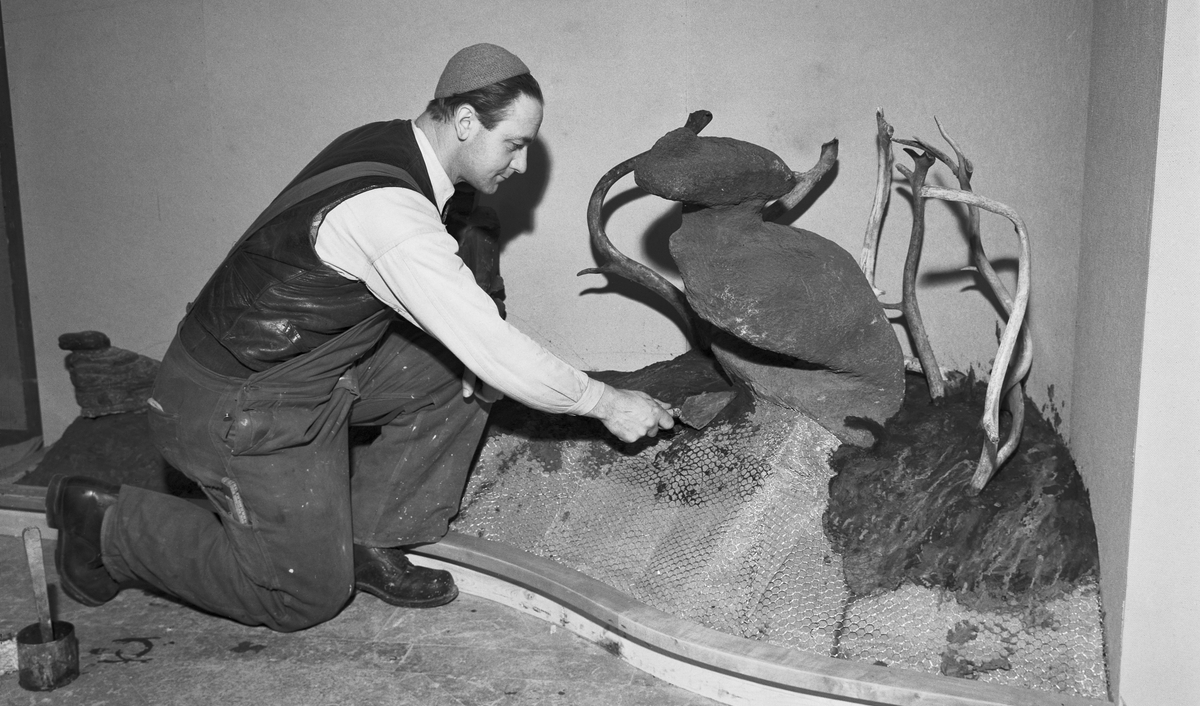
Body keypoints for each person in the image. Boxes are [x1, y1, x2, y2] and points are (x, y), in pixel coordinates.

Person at [46, 43, 675, 632]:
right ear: (462, 122)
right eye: (513, 143)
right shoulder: (390, 214)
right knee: (303, 595)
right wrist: (605, 402)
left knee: (460, 375)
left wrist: (483, 355)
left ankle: (371, 537)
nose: (523, 163)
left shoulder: (386, 142)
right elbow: (492, 341)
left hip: (302, 368)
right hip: (233, 403)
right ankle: (108, 524)